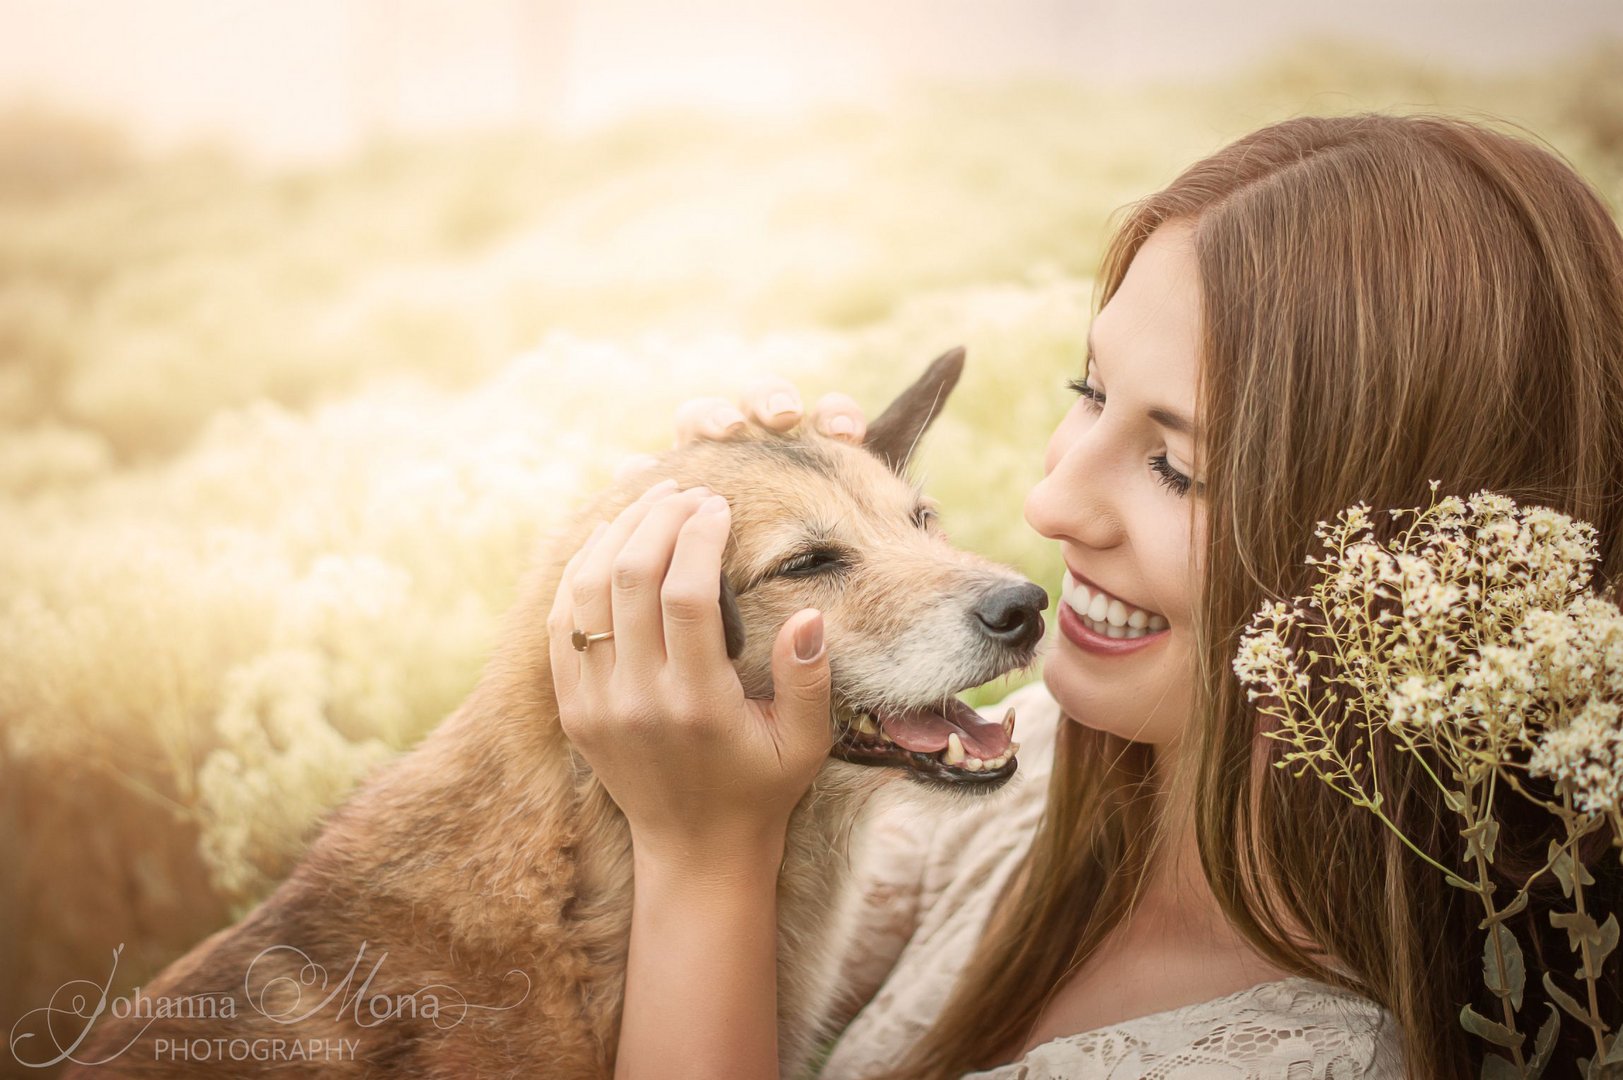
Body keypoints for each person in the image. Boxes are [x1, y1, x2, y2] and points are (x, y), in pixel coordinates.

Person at [547, 113, 1623, 1078]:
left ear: (1425, 563)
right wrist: (706, 588)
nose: (1050, 500)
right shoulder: (1039, 761)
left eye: (1177, 466)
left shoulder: (1309, 1057)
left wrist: (706, 859)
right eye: (1091, 392)